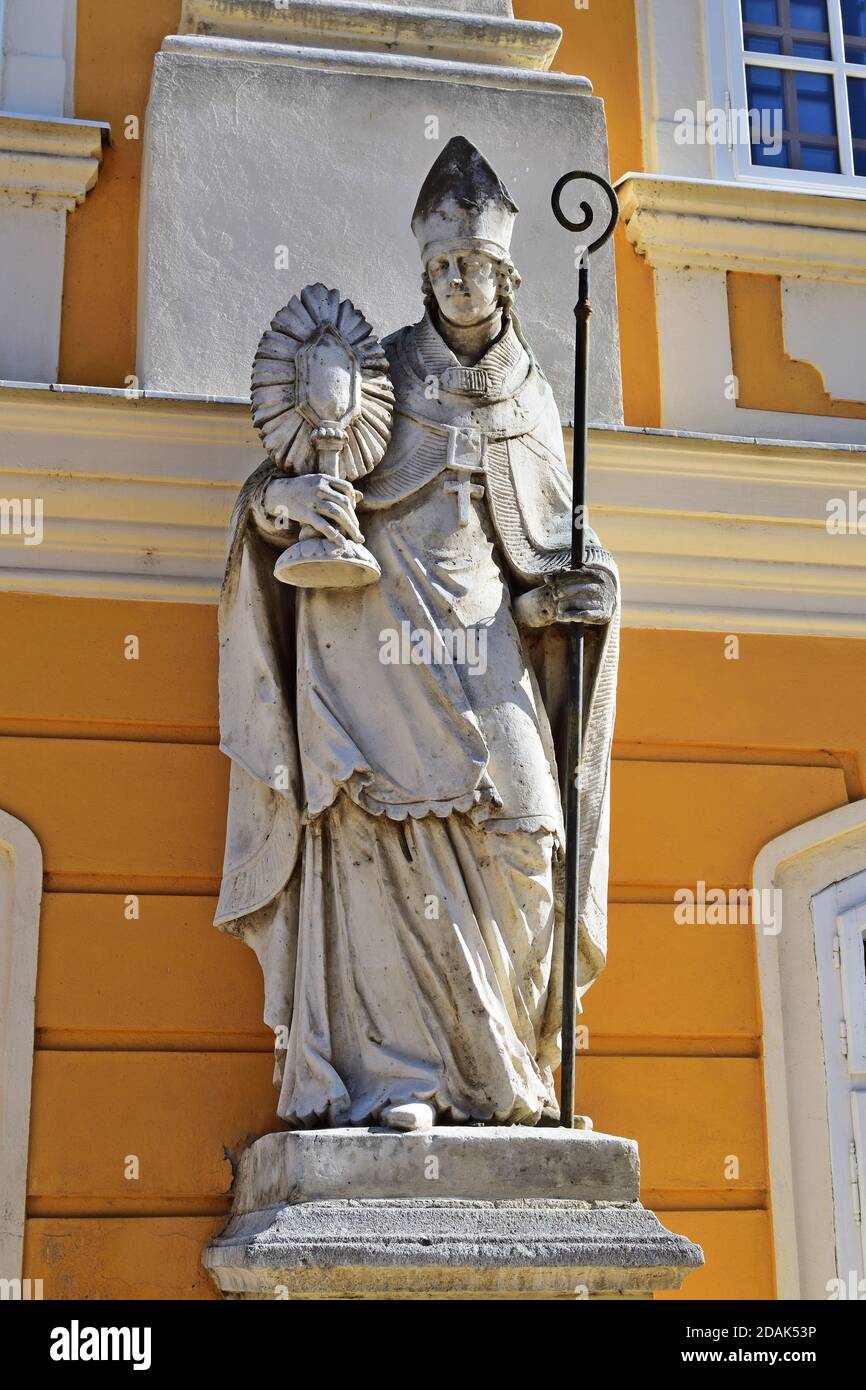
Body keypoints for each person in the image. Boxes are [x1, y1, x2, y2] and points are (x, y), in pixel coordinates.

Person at [215, 137, 620, 1131]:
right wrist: (287, 501)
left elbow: (558, 538)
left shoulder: (531, 394)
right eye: (439, 264)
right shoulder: (378, 370)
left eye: (472, 264)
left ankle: (508, 1073)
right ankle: (398, 1080)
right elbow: (282, 481)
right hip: (371, 651)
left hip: (484, 651)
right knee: (375, 843)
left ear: (505, 274)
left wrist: (582, 593)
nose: (454, 279)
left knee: (530, 834)